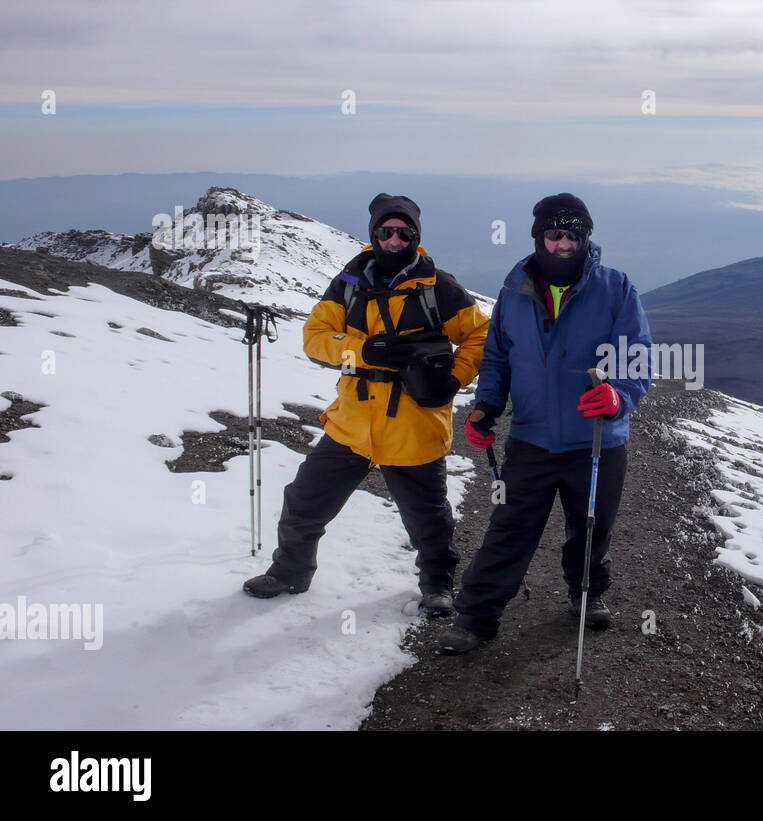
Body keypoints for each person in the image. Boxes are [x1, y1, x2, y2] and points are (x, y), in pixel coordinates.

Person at [243, 193, 490, 617]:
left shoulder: (438, 287)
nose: (394, 239)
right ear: (374, 234)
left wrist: (455, 378)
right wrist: (363, 351)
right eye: (386, 231)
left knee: (428, 519)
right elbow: (315, 337)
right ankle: (290, 572)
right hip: (353, 424)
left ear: (415, 234)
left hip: (415, 422)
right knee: (304, 500)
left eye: (403, 232)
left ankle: (437, 587)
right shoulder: (350, 282)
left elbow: (481, 336)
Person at [435, 193, 652, 654]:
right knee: (511, 526)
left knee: (592, 524)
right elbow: (497, 358)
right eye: (554, 234)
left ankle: (586, 594)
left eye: (574, 235)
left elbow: (636, 357)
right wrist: (486, 407)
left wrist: (619, 396)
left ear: (585, 239)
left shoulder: (616, 288)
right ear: (539, 237)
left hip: (597, 438)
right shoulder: (514, 291)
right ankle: (476, 617)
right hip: (532, 438)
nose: (564, 245)